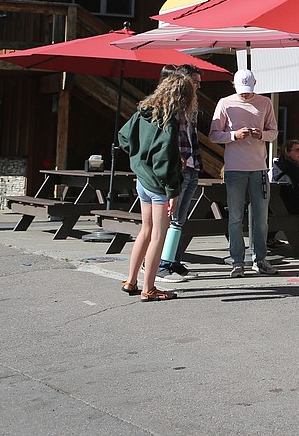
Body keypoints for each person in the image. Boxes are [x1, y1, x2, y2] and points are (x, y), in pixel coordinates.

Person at [117, 71, 196, 302]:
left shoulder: (143, 111)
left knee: (145, 230)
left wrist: (139, 157)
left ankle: (131, 281)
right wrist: (173, 192)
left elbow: (123, 137)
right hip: (159, 186)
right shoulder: (168, 121)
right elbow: (164, 160)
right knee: (158, 236)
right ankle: (149, 289)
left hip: (142, 179)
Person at [209, 69, 279, 277]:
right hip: (234, 168)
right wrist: (234, 135)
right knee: (235, 217)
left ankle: (260, 259)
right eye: (242, 91)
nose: (245, 94)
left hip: (259, 168)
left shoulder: (265, 103)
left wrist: (261, 134)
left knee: (261, 218)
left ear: (255, 84)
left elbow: (274, 132)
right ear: (234, 86)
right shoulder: (225, 103)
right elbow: (213, 135)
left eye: (248, 90)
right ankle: (237, 261)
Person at [157, 64, 210, 284]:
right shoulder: (170, 106)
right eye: (195, 82)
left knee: (180, 219)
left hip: (192, 165)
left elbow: (191, 137)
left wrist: (195, 163)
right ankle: (162, 264)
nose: (198, 86)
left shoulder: (192, 107)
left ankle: (174, 261)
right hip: (177, 168)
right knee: (171, 218)